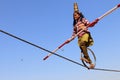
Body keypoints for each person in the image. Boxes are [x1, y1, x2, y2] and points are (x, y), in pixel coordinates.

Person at [66, 3, 98, 68]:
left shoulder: (82, 19)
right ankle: (90, 62)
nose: (74, 16)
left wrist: (94, 22)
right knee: (83, 48)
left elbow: (90, 24)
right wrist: (69, 40)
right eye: (73, 16)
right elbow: (73, 34)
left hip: (85, 34)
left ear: (79, 15)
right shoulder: (75, 25)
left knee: (83, 43)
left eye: (75, 15)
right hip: (79, 38)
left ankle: (87, 59)